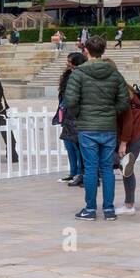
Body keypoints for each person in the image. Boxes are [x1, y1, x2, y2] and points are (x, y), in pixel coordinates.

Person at [63, 35, 129, 220]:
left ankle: (90, 209)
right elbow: (124, 100)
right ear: (103, 50)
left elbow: (71, 100)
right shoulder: (114, 73)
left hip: (87, 126)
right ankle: (109, 209)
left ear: (86, 50)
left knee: (91, 169)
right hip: (108, 127)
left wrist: (79, 115)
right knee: (107, 168)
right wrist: (111, 112)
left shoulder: (79, 73)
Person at [116, 84, 140, 215]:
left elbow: (128, 120)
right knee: (125, 165)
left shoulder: (120, 92)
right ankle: (129, 203)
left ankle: (129, 205)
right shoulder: (124, 88)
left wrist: (123, 142)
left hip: (137, 130)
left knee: (126, 165)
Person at [55, 52, 87, 186]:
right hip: (66, 114)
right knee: (69, 144)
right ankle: (73, 172)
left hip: (75, 115)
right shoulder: (68, 75)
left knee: (77, 146)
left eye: (69, 61)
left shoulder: (79, 76)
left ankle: (80, 173)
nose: (67, 63)